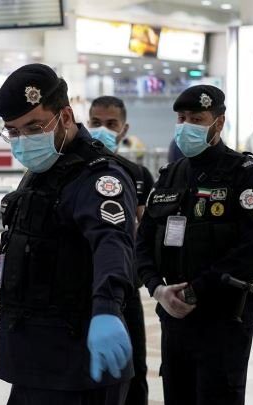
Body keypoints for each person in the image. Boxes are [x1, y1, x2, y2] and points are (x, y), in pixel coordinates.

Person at [0, 64, 137, 404]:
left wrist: (107, 308)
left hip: (79, 361)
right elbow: (43, 239)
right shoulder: (41, 172)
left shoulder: (98, 177)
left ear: (66, 116)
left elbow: (112, 243)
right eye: (13, 131)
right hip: (36, 355)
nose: (24, 139)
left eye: (34, 127)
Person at [137, 85, 253, 405]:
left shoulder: (245, 175)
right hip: (174, 316)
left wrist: (193, 291)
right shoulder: (170, 176)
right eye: (182, 118)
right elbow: (142, 243)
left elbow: (248, 254)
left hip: (223, 319)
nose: (186, 126)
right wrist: (157, 288)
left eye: (197, 119)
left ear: (218, 122)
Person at [88, 95, 152, 405]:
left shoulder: (136, 174)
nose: (103, 129)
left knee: (134, 369)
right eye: (96, 122)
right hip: (81, 288)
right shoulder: (74, 170)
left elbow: (145, 229)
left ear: (124, 129)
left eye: (111, 124)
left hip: (124, 286)